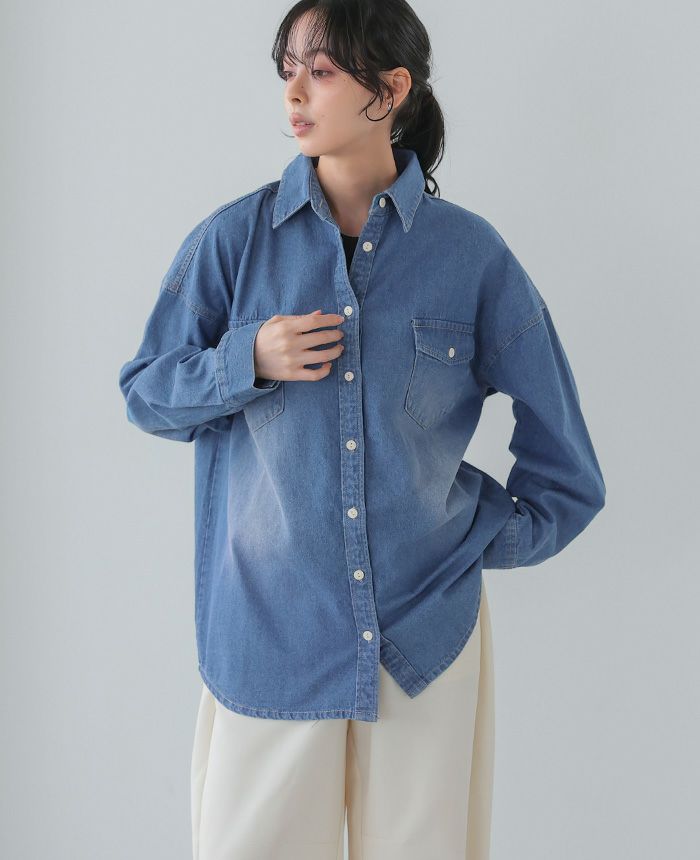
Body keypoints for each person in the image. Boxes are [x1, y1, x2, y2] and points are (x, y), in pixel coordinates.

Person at [118, 1, 606, 858]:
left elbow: (568, 470)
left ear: (391, 88)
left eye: (321, 71)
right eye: (288, 71)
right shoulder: (234, 243)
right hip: (270, 633)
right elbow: (147, 393)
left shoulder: (472, 258)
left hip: (424, 640)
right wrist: (246, 359)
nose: (294, 94)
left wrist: (466, 541)